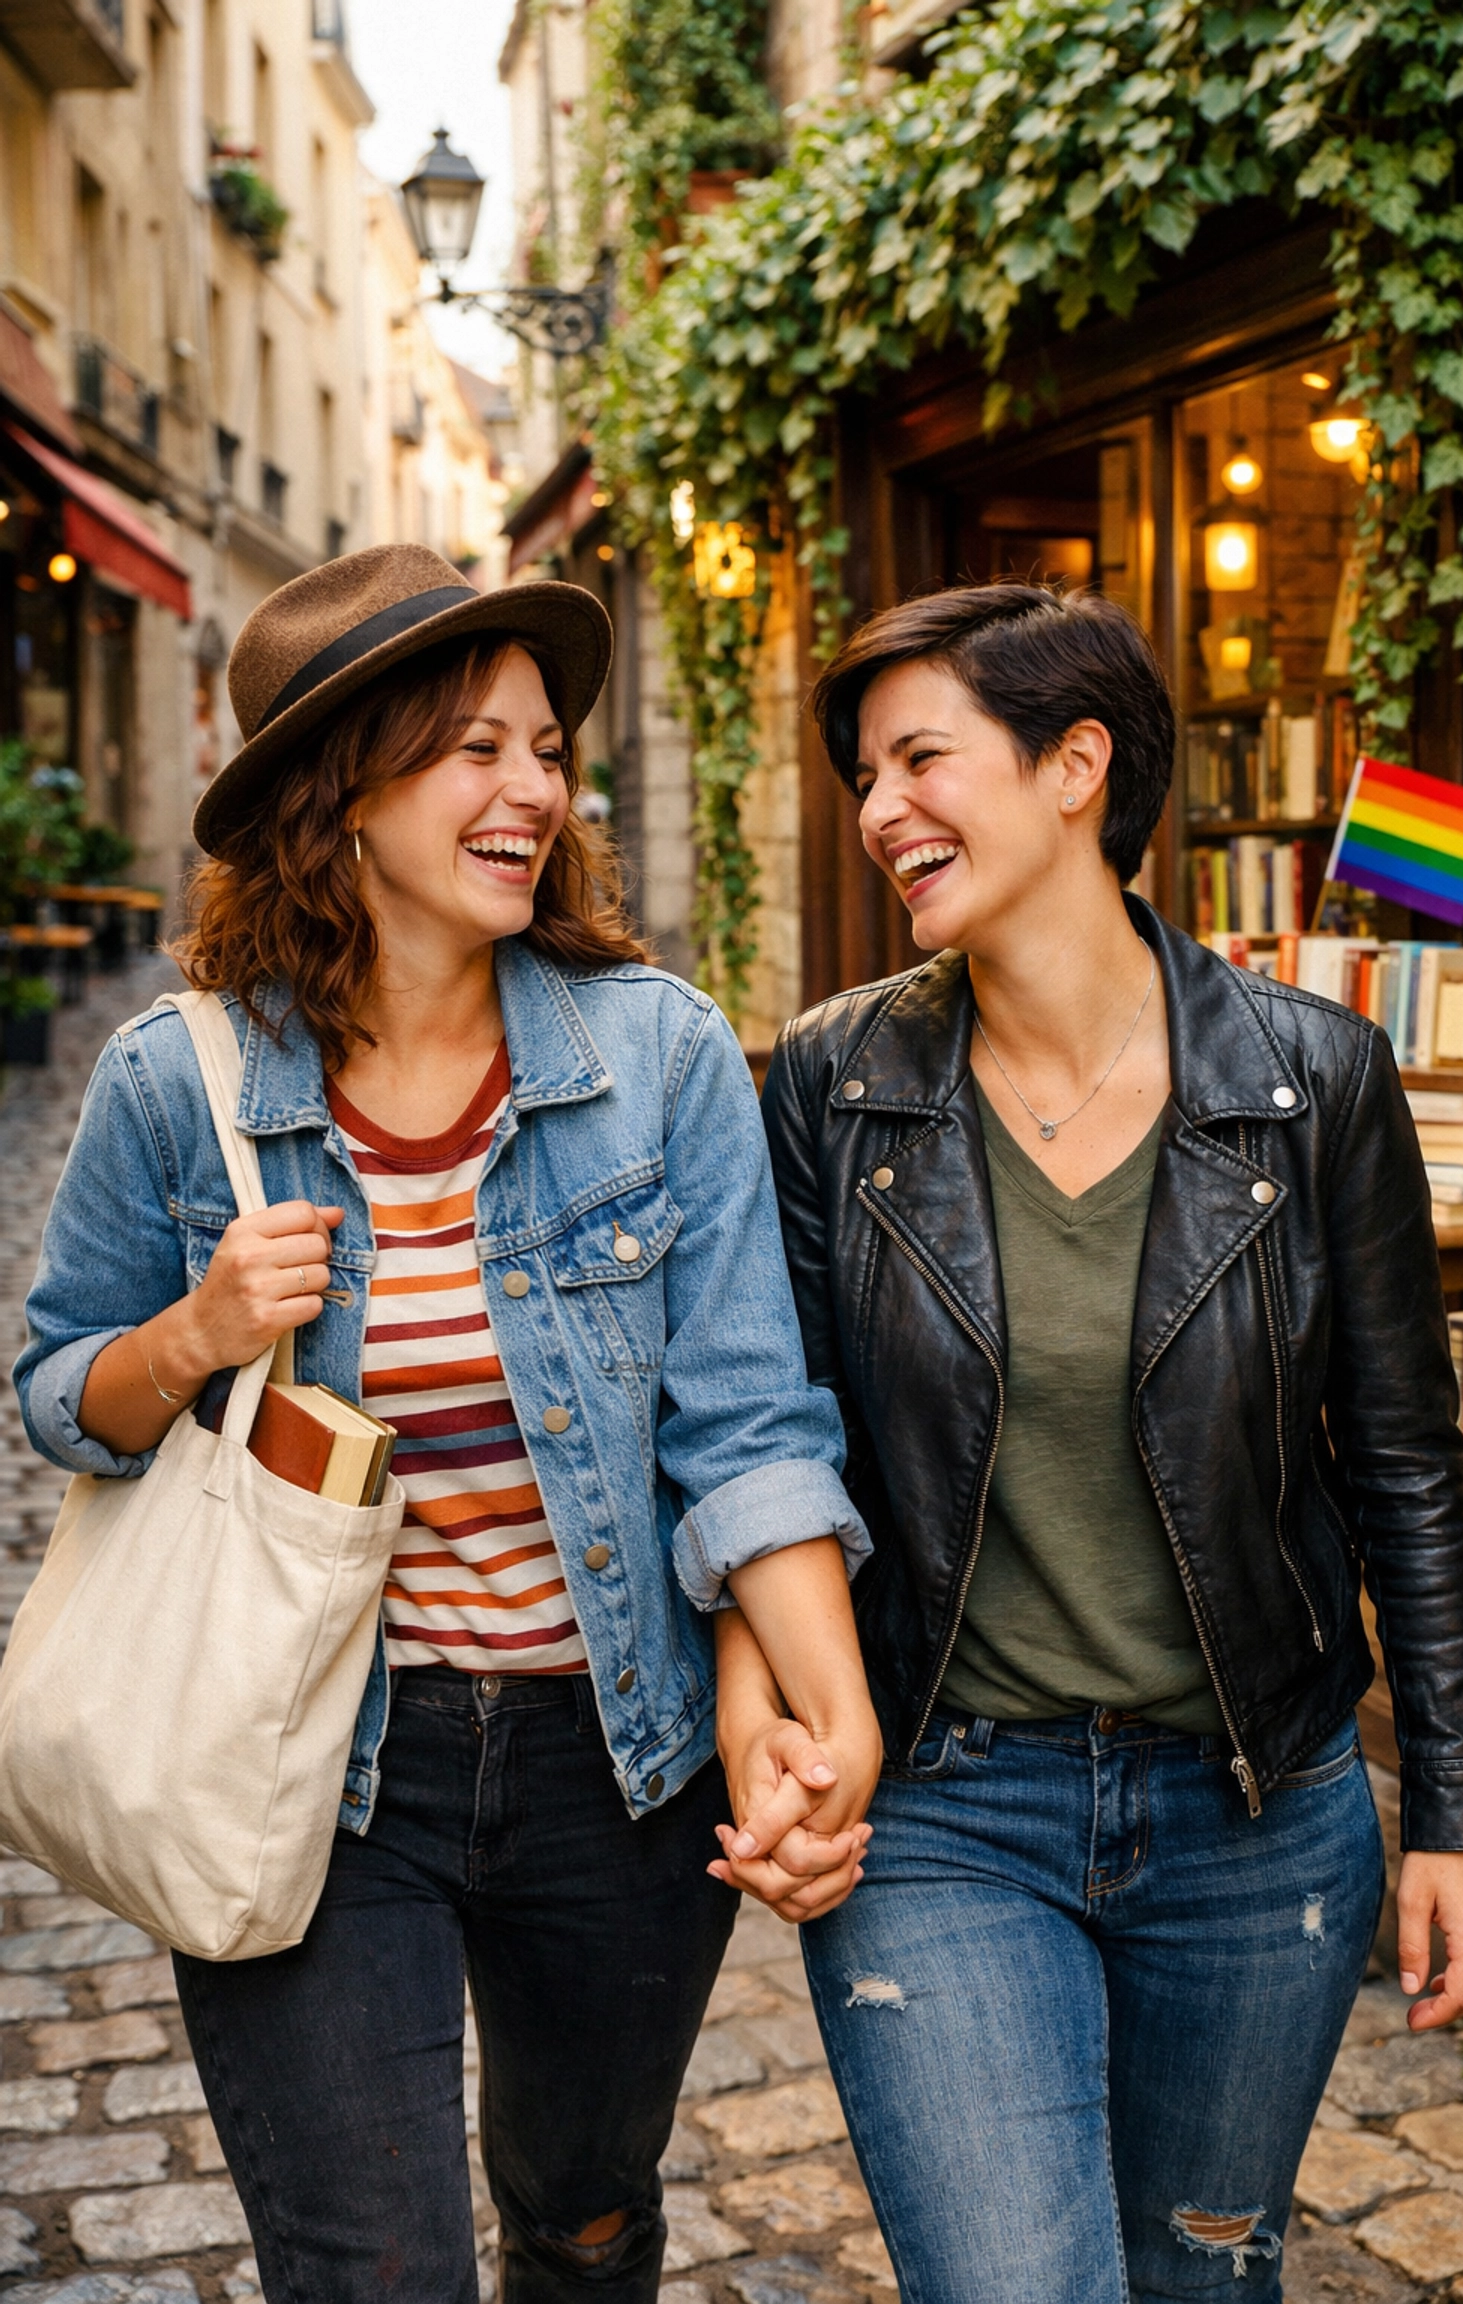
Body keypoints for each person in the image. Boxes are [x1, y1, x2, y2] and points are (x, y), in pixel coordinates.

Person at [15, 543, 882, 2304]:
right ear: (346, 794)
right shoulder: (173, 1087)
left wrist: (830, 1712)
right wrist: (194, 1330)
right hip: (318, 1765)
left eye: (546, 748)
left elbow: (747, 1426)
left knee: (582, 2221)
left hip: (613, 1760)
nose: (534, 790)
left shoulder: (657, 1056)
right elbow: (60, 1396)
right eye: (474, 748)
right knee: (371, 2269)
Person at [713, 581, 1463, 2304]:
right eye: (866, 775)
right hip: (945, 1803)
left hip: (1257, 1814)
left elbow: (1402, 1466)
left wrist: (1456, 1811)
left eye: (921, 760)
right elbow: (767, 1436)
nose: (879, 815)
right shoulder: (837, 1084)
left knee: (1202, 2278)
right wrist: (766, 1713)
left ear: (1077, 762)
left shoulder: (1316, 1082)